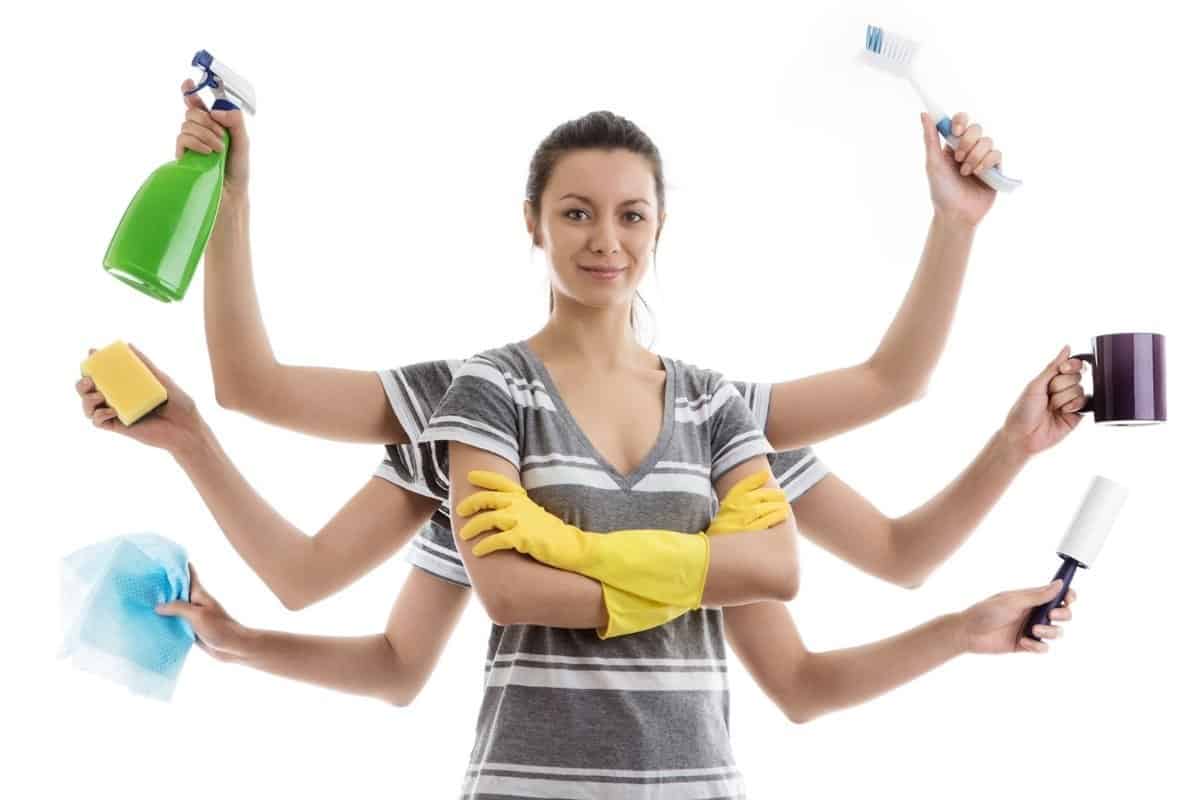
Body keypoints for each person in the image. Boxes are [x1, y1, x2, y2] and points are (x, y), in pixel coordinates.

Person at [77, 98, 1080, 798]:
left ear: (661, 227)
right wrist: (234, 205)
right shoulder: (475, 400)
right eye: (576, 211)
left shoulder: (719, 416)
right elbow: (268, 428)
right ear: (534, 223)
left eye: (631, 213)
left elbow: (875, 539)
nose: (606, 238)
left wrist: (1005, 440)